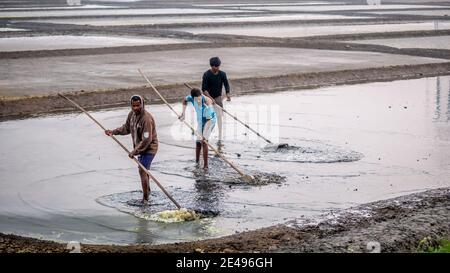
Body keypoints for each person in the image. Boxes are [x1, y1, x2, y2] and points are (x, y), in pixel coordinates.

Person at [105, 95, 158, 204]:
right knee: (144, 170)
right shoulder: (132, 115)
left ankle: (145, 199)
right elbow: (126, 128)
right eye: (133, 106)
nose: (135, 108)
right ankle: (147, 191)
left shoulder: (146, 119)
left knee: (142, 171)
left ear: (142, 105)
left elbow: (147, 140)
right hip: (139, 148)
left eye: (138, 105)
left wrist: (134, 151)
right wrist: (113, 132)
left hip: (149, 148)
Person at [179, 88, 216, 169]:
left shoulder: (207, 101)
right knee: (198, 142)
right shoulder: (191, 98)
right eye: (196, 99)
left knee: (204, 141)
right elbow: (184, 101)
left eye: (200, 97)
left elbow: (209, 120)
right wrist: (183, 114)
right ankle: (197, 162)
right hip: (200, 121)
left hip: (210, 121)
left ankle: (206, 166)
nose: (198, 100)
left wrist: (204, 135)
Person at [201, 56, 230, 145]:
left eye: (218, 66)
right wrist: (210, 98)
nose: (217, 68)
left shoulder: (222, 74)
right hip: (207, 98)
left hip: (217, 98)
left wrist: (228, 94)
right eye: (215, 66)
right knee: (208, 118)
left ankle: (220, 138)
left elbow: (226, 84)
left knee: (219, 117)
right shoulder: (206, 75)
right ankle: (205, 136)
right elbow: (204, 89)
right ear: (212, 66)